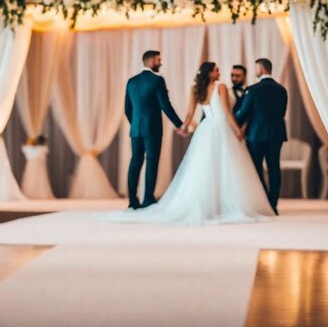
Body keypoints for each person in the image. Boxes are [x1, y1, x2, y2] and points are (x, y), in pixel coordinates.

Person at [102, 61, 274, 225]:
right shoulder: (220, 86)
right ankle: (224, 203)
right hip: (220, 127)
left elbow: (190, 113)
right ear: (210, 72)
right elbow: (227, 113)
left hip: (205, 129)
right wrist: (237, 130)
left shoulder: (195, 89)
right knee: (226, 166)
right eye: (216, 70)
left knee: (203, 167)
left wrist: (183, 127)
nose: (219, 72)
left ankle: (142, 199)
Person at [125, 50, 187, 209]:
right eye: (159, 60)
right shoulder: (157, 80)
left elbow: (127, 109)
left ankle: (132, 200)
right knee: (151, 162)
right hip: (153, 129)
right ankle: (148, 199)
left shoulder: (131, 81)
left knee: (135, 162)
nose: (161, 63)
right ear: (152, 61)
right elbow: (165, 106)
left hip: (136, 130)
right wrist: (180, 125)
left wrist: (135, 123)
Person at [235, 58, 288, 215]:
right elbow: (282, 112)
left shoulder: (252, 89)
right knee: (274, 169)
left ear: (260, 69)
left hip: (256, 134)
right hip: (276, 134)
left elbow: (243, 113)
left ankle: (263, 201)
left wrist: (232, 119)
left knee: (256, 169)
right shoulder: (282, 89)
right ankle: (273, 204)